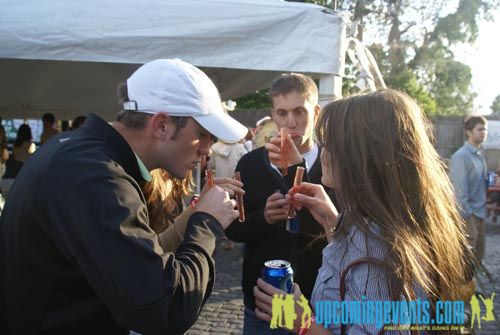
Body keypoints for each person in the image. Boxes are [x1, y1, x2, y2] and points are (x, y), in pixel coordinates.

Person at [0, 58, 248, 334]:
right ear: (162, 124)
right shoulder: (98, 177)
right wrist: (206, 223)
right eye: (203, 135)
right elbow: (167, 308)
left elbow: (137, 258)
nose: (207, 149)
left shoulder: (82, 154)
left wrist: (196, 213)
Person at [253, 89, 471, 334]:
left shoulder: (375, 251)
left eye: (330, 144)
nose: (322, 152)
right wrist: (332, 224)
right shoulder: (380, 224)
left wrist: (300, 322)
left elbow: (367, 271)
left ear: (358, 158)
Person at [225, 73, 334, 334]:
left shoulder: (334, 164)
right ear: (273, 115)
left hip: (320, 302)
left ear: (316, 112)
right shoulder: (249, 165)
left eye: (300, 112)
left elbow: (340, 227)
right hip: (265, 301)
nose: (291, 122)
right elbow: (233, 229)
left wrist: (297, 168)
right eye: (282, 113)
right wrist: (264, 217)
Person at [449, 116, 488, 270]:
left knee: (478, 257)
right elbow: (458, 191)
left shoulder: (479, 154)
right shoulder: (462, 156)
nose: (484, 132)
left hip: (481, 212)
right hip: (469, 214)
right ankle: (463, 291)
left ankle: (474, 290)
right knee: (466, 260)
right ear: (468, 132)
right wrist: (468, 215)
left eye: (485, 129)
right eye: (480, 129)